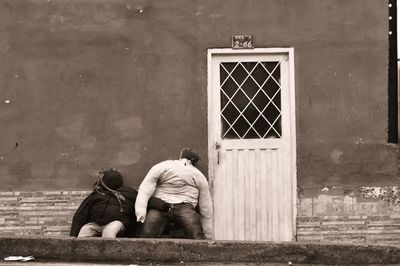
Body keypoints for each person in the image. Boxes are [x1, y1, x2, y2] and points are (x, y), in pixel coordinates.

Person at [135, 148, 213, 239]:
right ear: (195, 161)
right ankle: (201, 247)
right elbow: (205, 205)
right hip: (178, 206)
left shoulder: (163, 165)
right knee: (195, 234)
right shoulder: (199, 175)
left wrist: (140, 211)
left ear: (181, 156)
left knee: (147, 234)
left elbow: (145, 188)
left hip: (162, 205)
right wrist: (208, 234)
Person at [70, 168, 170, 238]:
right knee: (84, 231)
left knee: (109, 232)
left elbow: (145, 200)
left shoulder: (128, 192)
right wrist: (73, 236)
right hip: (95, 224)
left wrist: (165, 206)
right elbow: (81, 213)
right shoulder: (97, 193)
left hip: (116, 223)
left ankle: (107, 259)